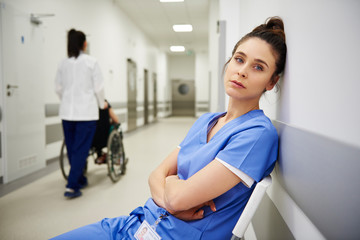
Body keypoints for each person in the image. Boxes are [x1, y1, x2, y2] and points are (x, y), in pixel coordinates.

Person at [51, 16, 287, 239]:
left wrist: (171, 189)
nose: (242, 71)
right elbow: (156, 176)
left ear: (272, 81)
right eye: (239, 59)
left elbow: (174, 195)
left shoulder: (256, 134)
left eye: (258, 67)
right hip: (139, 222)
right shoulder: (207, 121)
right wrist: (171, 198)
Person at [55, 29, 105, 199]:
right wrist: (101, 104)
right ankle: (72, 185)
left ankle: (80, 177)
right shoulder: (91, 62)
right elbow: (98, 88)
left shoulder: (63, 63)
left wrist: (67, 100)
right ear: (84, 44)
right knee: (81, 150)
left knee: (72, 149)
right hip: (86, 114)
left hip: (67, 113)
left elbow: (58, 88)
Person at [92, 99, 120, 164]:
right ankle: (116, 156)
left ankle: (100, 155)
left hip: (90, 139)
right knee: (116, 129)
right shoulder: (104, 103)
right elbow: (116, 120)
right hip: (105, 138)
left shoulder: (87, 105)